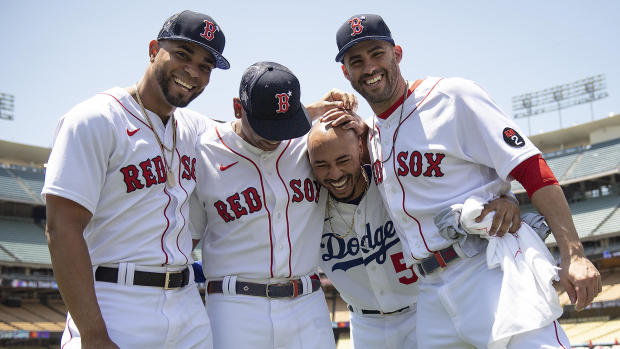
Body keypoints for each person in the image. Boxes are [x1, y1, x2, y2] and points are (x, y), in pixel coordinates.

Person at [332, 13, 602, 348]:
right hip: (429, 290)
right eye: (357, 61)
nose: (369, 67)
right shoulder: (370, 133)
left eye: (377, 54)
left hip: (487, 268)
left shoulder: (452, 96)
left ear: (397, 54)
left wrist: (574, 254)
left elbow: (531, 168)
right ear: (346, 73)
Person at [42, 10, 228, 348]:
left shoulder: (194, 127)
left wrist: (312, 113)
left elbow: (252, 131)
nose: (193, 71)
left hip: (187, 306)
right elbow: (61, 228)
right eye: (183, 55)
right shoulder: (95, 119)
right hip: (115, 301)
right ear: (154, 49)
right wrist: (94, 334)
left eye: (205, 66)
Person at [307, 122, 522, 349]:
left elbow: (456, 187)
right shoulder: (308, 206)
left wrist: (506, 199)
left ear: (360, 149)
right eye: (321, 165)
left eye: (343, 160)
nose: (335, 173)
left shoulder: (394, 182)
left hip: (420, 312)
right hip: (364, 324)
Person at [191, 61, 356, 349]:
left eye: (285, 124)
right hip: (235, 307)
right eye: (266, 125)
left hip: (308, 303)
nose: (276, 135)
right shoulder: (204, 152)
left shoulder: (307, 144)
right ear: (237, 108)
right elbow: (187, 238)